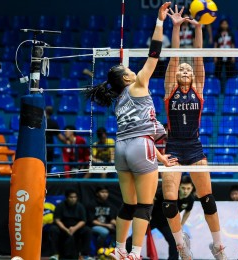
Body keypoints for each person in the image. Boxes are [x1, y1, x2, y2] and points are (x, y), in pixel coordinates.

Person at [83, 3, 178, 259]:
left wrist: (160, 158)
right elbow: (155, 53)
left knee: (129, 203)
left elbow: (140, 131)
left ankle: (119, 249)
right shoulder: (138, 84)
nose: (132, 70)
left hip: (122, 149)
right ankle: (136, 253)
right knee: (146, 205)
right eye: (128, 70)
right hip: (139, 147)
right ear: (126, 77)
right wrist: (160, 22)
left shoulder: (119, 100)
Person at [163, 5, 227, 260]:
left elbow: (198, 57)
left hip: (195, 147)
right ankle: (181, 244)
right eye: (182, 70)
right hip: (173, 148)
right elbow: (174, 57)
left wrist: (199, 27)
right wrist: (177, 27)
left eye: (188, 70)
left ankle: (218, 245)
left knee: (208, 199)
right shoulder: (171, 90)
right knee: (169, 202)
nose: (185, 71)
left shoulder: (198, 89)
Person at [126, 175, 195, 260]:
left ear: (192, 188)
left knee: (174, 242)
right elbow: (151, 198)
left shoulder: (190, 199)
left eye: (188, 189)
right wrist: (148, 214)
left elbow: (188, 211)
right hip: (152, 219)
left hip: (166, 223)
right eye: (183, 188)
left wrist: (181, 224)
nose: (185, 191)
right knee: (133, 239)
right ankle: (127, 255)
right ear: (178, 186)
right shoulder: (167, 192)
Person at [48, 188, 92, 260]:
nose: (73, 199)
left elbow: (83, 221)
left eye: (75, 197)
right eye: (71, 197)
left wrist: (74, 228)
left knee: (87, 230)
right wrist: (66, 229)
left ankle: (84, 255)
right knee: (53, 229)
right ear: (67, 197)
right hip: (63, 228)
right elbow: (57, 220)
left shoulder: (80, 207)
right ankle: (54, 254)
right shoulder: (60, 206)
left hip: (76, 228)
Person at [86, 185, 118, 251]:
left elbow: (112, 219)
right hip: (93, 226)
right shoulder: (92, 204)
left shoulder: (109, 205)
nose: (105, 194)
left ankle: (112, 248)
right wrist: (106, 225)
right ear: (97, 193)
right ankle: (98, 250)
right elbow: (92, 221)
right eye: (102, 192)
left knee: (119, 231)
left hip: (107, 225)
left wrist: (118, 225)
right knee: (104, 232)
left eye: (106, 192)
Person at [45, 106, 66, 173]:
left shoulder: (39, 123)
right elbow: (60, 137)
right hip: (49, 148)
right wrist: (68, 142)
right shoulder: (53, 123)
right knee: (48, 166)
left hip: (40, 147)